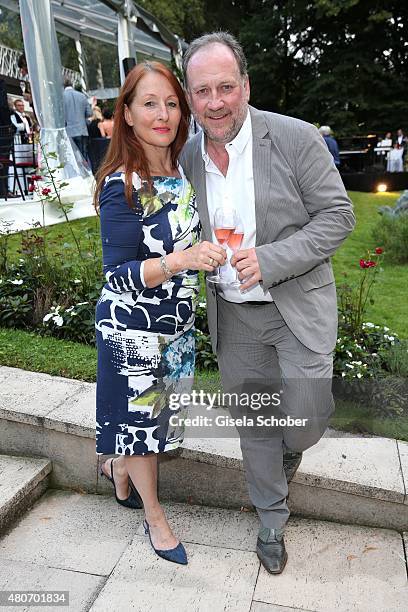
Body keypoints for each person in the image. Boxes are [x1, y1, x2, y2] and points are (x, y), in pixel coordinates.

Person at [181, 32, 355, 574]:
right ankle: (271, 517)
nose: (215, 102)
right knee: (255, 423)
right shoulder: (184, 156)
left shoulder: (296, 138)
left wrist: (274, 258)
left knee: (302, 422)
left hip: (294, 307)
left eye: (226, 87)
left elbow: (338, 216)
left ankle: (284, 456)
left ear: (245, 86)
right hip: (233, 315)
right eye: (203, 90)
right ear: (190, 97)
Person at [93, 61, 226, 566]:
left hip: (175, 329)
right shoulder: (121, 185)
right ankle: (155, 517)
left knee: (159, 422)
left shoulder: (181, 171)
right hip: (133, 331)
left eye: (171, 102)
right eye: (149, 103)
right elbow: (117, 276)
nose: (163, 113)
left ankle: (118, 470)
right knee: (146, 428)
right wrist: (182, 261)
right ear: (126, 113)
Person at [63, 77, 91, 158]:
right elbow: (89, 113)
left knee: (71, 158)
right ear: (72, 85)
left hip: (68, 132)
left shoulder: (61, 97)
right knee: (83, 157)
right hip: (81, 130)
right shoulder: (82, 96)